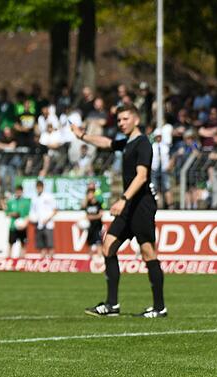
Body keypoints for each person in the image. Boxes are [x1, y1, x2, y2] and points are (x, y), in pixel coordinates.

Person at [72, 104, 166, 318]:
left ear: (136, 120)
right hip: (128, 205)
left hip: (140, 204)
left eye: (125, 119)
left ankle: (160, 307)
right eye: (120, 120)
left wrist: (123, 199)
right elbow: (106, 142)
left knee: (148, 251)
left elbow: (142, 177)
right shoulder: (126, 143)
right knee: (108, 246)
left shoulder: (143, 143)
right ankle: (112, 305)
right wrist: (83, 136)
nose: (121, 123)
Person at [29, 180, 57, 258]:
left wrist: (47, 219)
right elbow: (32, 212)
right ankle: (42, 262)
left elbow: (55, 210)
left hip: (48, 224)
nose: (39, 188)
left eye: (40, 187)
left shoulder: (49, 197)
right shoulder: (34, 198)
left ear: (43, 187)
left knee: (50, 245)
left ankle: (51, 261)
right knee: (41, 245)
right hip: (39, 225)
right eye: (37, 187)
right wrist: (32, 219)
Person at [4, 185, 30, 258]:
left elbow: (28, 214)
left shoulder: (26, 202)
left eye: (20, 191)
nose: (18, 193)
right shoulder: (11, 202)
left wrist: (25, 223)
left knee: (23, 244)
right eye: (17, 191)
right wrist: (12, 214)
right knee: (11, 243)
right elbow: (6, 213)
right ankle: (9, 259)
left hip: (23, 226)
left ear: (22, 192)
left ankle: (22, 259)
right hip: (13, 226)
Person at [82, 185, 104, 261]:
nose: (89, 196)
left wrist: (92, 217)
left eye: (90, 194)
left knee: (99, 242)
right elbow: (84, 209)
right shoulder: (88, 204)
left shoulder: (98, 204)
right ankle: (90, 259)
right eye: (88, 194)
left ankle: (100, 258)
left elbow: (100, 215)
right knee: (90, 243)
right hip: (90, 227)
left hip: (97, 226)